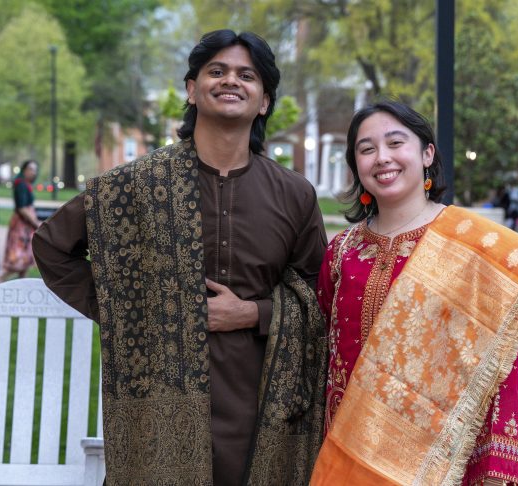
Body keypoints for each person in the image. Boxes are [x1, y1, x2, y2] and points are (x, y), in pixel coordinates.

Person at [32, 30, 327, 485]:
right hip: (156, 404)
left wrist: (253, 313)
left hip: (262, 406)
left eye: (246, 75)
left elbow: (318, 294)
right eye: (217, 71)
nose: (231, 80)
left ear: (264, 100)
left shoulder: (293, 194)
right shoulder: (132, 185)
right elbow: (52, 247)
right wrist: (129, 310)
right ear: (192, 89)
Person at [310, 102, 518, 485]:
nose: (382, 158)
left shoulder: (474, 249)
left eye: (395, 142)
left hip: (437, 462)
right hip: (345, 449)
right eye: (366, 149)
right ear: (356, 165)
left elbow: (500, 368)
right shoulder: (342, 251)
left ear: (427, 153)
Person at [0, 160, 40, 280]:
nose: (33, 172)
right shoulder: (21, 184)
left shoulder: (25, 184)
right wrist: (35, 223)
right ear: (24, 170)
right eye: (31, 169)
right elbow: (22, 208)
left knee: (26, 259)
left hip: (26, 226)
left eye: (35, 170)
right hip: (21, 226)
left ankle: (22, 286)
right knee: (18, 258)